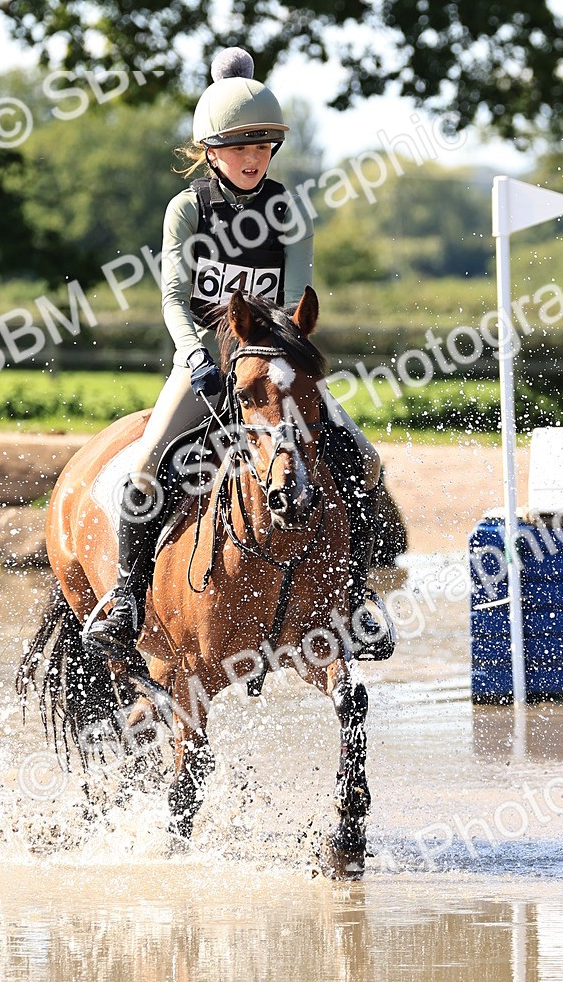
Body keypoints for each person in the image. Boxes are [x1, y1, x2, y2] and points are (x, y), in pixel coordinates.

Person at [86, 48, 395, 662]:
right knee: (145, 470)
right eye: (239, 147)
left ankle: (356, 593)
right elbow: (174, 296)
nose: (253, 159)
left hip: (266, 364)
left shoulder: (288, 213)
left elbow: (291, 302)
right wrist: (194, 356)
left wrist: (259, 362)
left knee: (359, 458)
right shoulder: (188, 210)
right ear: (211, 151)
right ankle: (126, 596)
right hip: (199, 363)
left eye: (262, 147)